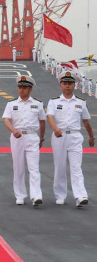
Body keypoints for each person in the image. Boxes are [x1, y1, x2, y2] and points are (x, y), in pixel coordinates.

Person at [46, 71, 94, 207]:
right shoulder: (54, 101)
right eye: (65, 83)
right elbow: (50, 116)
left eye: (70, 83)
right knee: (60, 166)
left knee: (76, 167)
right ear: (61, 85)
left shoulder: (81, 102)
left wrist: (91, 136)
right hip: (59, 136)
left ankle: (80, 196)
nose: (67, 86)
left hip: (75, 136)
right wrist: (55, 128)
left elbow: (86, 121)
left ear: (74, 85)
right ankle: (60, 195)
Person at [2, 75, 45, 206]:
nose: (21, 89)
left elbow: (42, 122)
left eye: (25, 87)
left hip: (32, 136)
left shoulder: (37, 104)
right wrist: (13, 130)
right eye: (20, 87)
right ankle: (20, 195)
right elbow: (6, 120)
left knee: (34, 168)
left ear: (30, 89)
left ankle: (36, 196)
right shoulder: (11, 103)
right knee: (18, 167)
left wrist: (41, 138)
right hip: (17, 137)